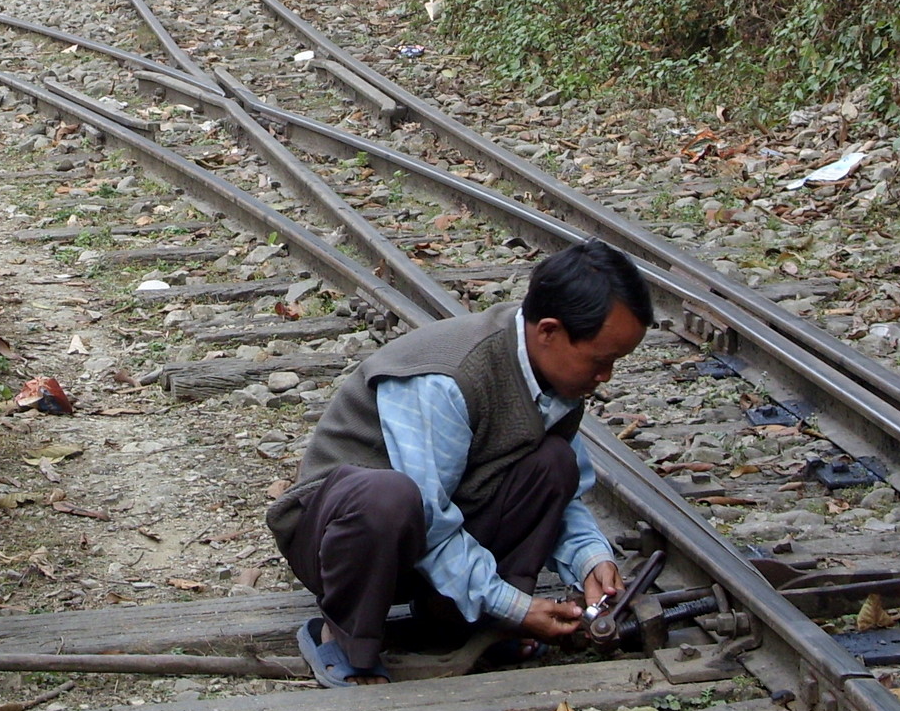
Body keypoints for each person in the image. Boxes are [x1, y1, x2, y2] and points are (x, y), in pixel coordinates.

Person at [265, 238, 653, 686]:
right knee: (389, 495)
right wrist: (515, 604)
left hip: (433, 533)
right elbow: (429, 513)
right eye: (601, 361)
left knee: (554, 464)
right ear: (548, 331)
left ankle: (462, 621)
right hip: (340, 541)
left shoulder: (554, 381)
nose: (605, 377)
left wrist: (592, 560)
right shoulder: (447, 378)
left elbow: (564, 495)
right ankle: (345, 635)